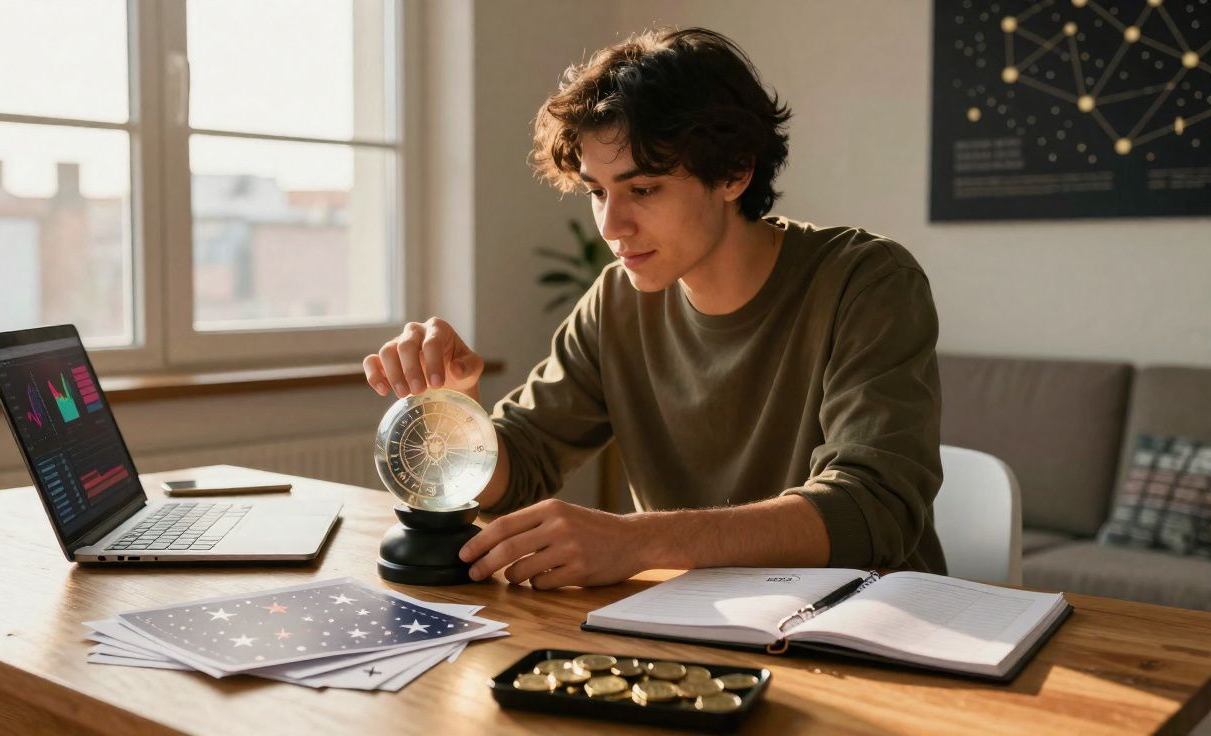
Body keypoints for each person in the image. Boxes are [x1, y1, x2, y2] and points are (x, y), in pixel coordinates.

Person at [363, 27, 944, 590]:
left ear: (736, 173)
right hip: (701, 627)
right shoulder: (616, 303)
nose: (611, 227)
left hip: (873, 630)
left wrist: (637, 541)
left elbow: (873, 510)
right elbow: (522, 467)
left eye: (642, 190)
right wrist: (456, 410)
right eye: (598, 192)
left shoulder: (866, 282)